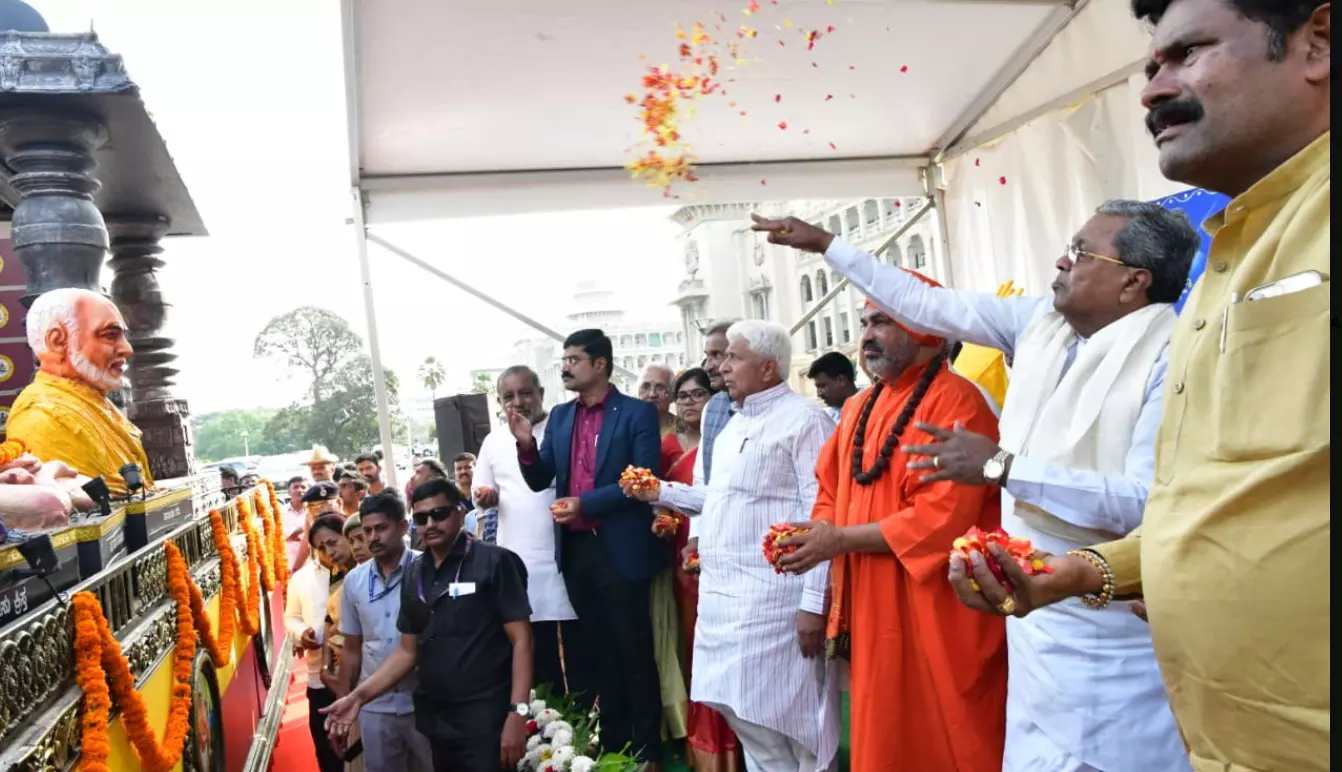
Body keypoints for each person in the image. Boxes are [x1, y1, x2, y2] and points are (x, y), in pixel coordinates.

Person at [948, 2, 1331, 770]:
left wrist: (1003, 469)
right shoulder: (1224, 265)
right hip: (1223, 734)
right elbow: (1207, 504)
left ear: (1318, 43)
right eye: (1152, 65)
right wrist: (1087, 571)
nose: (1153, 89)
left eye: (1189, 52)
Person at [755, 199, 1199, 771]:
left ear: (1134, 282)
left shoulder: (1173, 355)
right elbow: (927, 303)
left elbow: (1143, 503)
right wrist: (825, 245)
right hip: (1028, 624)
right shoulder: (1039, 326)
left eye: (1081, 253)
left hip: (1109, 632)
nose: (1061, 262)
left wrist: (1005, 468)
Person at [766, 295, 1007, 772]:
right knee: (883, 726)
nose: (867, 336)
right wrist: (819, 533)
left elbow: (944, 517)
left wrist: (839, 541)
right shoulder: (859, 405)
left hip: (938, 603)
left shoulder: (959, 401)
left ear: (925, 329)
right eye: (864, 324)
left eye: (882, 322)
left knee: (951, 729)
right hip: (873, 599)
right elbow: (830, 486)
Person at [636, 321, 837, 772]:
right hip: (723, 602)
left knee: (796, 724)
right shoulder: (731, 425)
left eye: (733, 357)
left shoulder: (806, 420)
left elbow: (822, 516)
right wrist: (659, 491)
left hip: (776, 603)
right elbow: (717, 499)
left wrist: (813, 604)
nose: (722, 367)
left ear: (768, 368)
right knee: (742, 713)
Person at [512, 328, 665, 766]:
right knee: (601, 652)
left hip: (619, 548)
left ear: (600, 364)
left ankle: (648, 748)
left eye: (573, 359)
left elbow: (643, 478)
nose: (565, 367)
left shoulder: (636, 413)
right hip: (576, 550)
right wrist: (526, 444)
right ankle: (614, 743)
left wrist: (586, 503)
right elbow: (541, 477)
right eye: (563, 359)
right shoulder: (561, 417)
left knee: (633, 651)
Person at [323, 478, 534, 772]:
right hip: (437, 720)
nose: (430, 524)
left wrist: (518, 713)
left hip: (487, 715)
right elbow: (407, 652)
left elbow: (523, 640)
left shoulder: (495, 561)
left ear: (460, 512)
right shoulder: (415, 574)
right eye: (422, 518)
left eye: (439, 514)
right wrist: (357, 697)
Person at [646, 367, 744, 772]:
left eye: (698, 394)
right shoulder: (665, 446)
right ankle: (701, 738)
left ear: (712, 399)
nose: (689, 402)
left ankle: (734, 738)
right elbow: (661, 499)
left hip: (724, 552)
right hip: (681, 555)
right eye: (682, 395)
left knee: (727, 644)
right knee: (691, 642)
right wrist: (663, 520)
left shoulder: (730, 441)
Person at [472, 365, 578, 694]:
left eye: (525, 393)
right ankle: (548, 720)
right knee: (537, 657)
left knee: (580, 654)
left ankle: (587, 719)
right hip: (520, 563)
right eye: (509, 396)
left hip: (569, 557)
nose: (518, 402)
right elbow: (481, 492)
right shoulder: (493, 442)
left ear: (541, 393)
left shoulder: (565, 428)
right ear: (500, 402)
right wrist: (486, 497)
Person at [6, 288, 152, 495]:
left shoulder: (93, 402)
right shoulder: (42, 418)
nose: (126, 348)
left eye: (123, 336)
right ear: (57, 341)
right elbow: (92, 505)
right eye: (110, 335)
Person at [338, 491, 432, 772]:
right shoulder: (354, 581)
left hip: (426, 701)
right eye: (367, 530)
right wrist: (344, 703)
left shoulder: (428, 569)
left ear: (403, 526)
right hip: (375, 705)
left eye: (381, 528)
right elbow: (351, 650)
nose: (373, 537)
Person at [287, 513, 353, 772]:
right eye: (320, 547)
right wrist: (301, 632)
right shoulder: (301, 578)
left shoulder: (359, 572)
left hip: (359, 678)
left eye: (332, 543)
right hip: (320, 678)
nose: (328, 552)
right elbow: (291, 617)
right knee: (328, 753)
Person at [805, 352, 858, 422]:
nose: (819, 394)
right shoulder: (829, 416)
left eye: (822, 386)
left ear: (841, 380)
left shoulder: (868, 407)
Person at [638, 363, 678, 436]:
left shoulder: (686, 430)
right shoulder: (625, 427)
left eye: (660, 388)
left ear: (672, 395)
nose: (652, 394)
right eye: (646, 387)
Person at [285, 476, 312, 570]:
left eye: (303, 487)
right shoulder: (279, 512)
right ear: (289, 492)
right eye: (295, 487)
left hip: (309, 565)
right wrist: (304, 529)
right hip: (285, 565)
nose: (300, 490)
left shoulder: (313, 512)